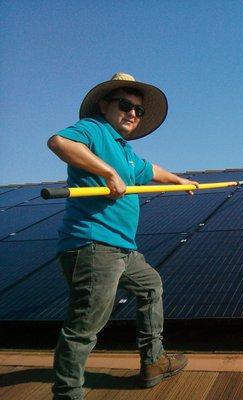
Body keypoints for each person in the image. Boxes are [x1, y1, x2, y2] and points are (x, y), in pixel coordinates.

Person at [47, 72, 199, 399]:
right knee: (85, 327)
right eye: (125, 105)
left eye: (139, 111)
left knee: (150, 286)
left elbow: (150, 170)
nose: (132, 113)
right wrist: (107, 172)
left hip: (122, 249)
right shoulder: (94, 130)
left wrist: (179, 180)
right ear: (105, 105)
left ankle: (153, 361)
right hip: (93, 245)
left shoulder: (125, 150)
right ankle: (67, 393)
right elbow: (59, 142)